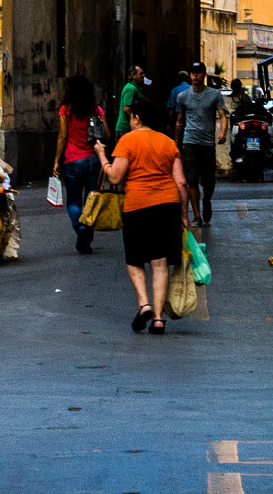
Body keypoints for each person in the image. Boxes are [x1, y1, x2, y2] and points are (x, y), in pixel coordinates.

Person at [92, 99, 191, 335]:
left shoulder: (128, 140)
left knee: (135, 260)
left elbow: (115, 177)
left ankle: (144, 304)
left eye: (131, 117)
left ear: (137, 118)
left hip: (137, 206)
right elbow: (182, 182)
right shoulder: (168, 143)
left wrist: (102, 156)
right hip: (167, 205)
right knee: (160, 263)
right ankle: (158, 319)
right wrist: (184, 216)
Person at [54, 75, 107, 255]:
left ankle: (80, 228)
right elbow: (106, 133)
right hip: (93, 160)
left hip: (73, 160)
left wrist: (56, 161)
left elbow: (62, 136)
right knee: (91, 200)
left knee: (74, 202)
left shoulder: (66, 110)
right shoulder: (96, 110)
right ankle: (87, 235)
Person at [174, 67, 228, 226]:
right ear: (190, 75)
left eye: (198, 73)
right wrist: (177, 144)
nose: (195, 75)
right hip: (190, 142)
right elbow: (179, 121)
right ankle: (197, 216)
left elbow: (222, 115)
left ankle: (207, 200)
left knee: (209, 180)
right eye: (192, 73)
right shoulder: (183, 96)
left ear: (204, 75)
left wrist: (223, 132)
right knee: (191, 180)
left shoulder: (214, 95)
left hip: (207, 144)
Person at [114, 65, 146, 138]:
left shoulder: (137, 88)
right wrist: (135, 123)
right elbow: (127, 109)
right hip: (126, 128)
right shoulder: (130, 88)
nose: (143, 75)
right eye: (141, 73)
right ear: (133, 75)